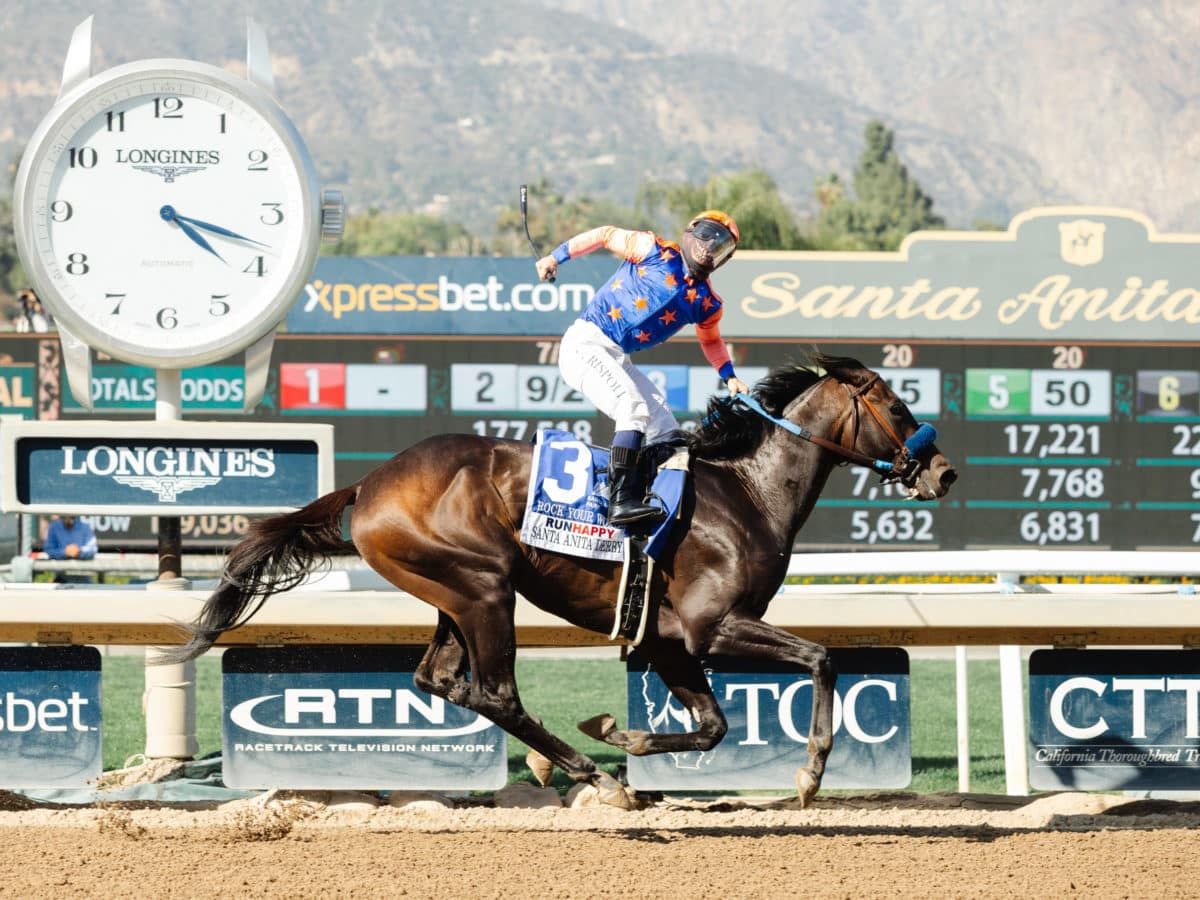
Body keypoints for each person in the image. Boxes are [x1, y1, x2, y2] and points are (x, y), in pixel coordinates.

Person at [536, 210, 751, 530]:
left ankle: (650, 499)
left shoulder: (707, 302)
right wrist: (557, 256)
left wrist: (729, 375)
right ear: (692, 230)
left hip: (615, 355)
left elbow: (712, 341)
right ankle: (619, 501)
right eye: (708, 236)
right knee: (633, 409)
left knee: (666, 429)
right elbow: (605, 233)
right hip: (585, 344)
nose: (710, 248)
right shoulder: (653, 249)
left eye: (720, 247)